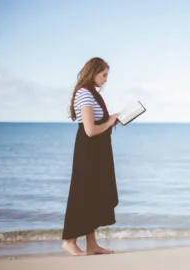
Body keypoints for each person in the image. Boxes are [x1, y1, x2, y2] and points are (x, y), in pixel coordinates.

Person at [62, 57, 120, 256]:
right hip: (89, 151)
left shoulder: (91, 93)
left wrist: (113, 119)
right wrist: (110, 122)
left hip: (97, 151)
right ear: (93, 72)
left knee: (93, 196)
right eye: (104, 75)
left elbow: (96, 123)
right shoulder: (84, 94)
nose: (105, 80)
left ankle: (92, 245)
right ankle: (69, 241)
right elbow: (90, 130)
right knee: (82, 195)